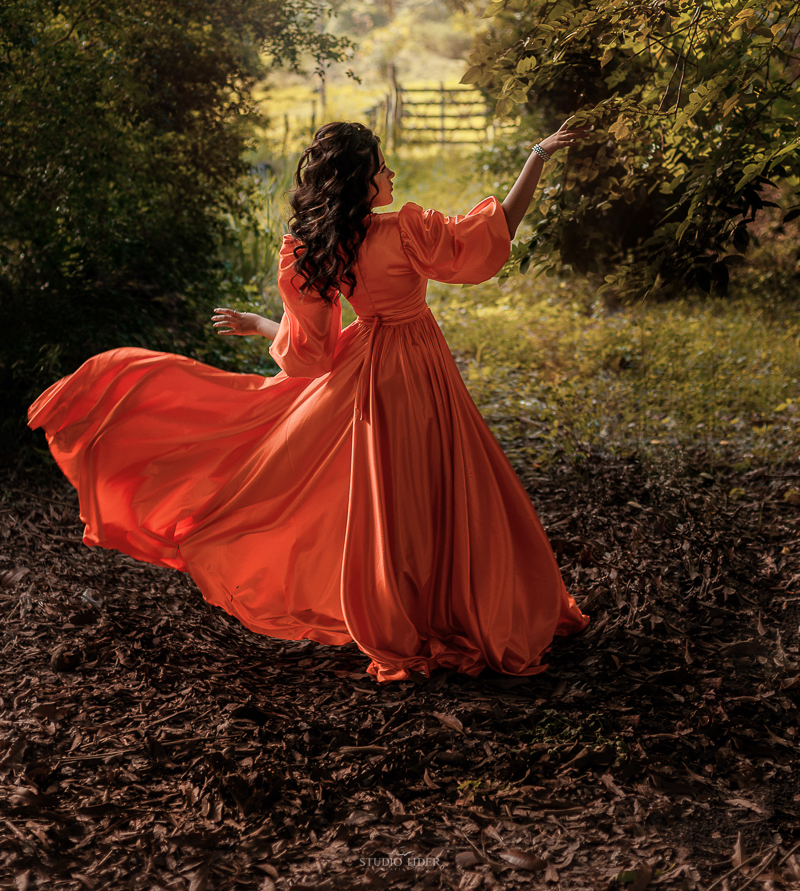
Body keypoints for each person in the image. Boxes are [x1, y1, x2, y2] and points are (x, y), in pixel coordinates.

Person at [28, 118, 591, 683]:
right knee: (443, 487)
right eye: (381, 168)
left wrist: (259, 324)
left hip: (372, 371)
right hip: (416, 369)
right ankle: (456, 610)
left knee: (396, 503)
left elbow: (312, 353)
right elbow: (493, 233)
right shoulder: (405, 229)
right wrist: (537, 157)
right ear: (360, 181)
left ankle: (412, 618)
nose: (391, 174)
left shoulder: (323, 247)